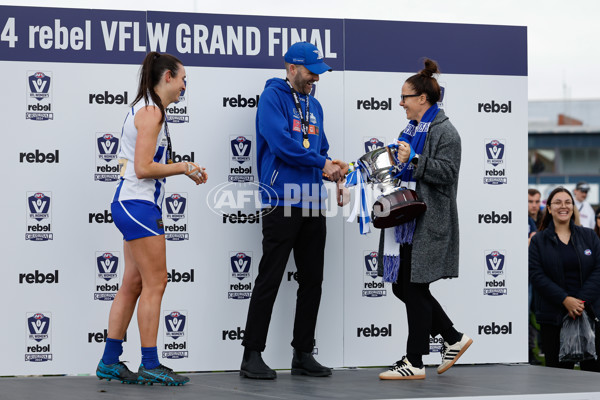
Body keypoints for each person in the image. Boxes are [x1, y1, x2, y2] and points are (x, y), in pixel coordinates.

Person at [96, 52, 207, 386]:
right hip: (138, 205)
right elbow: (143, 168)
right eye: (183, 78)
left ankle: (109, 361)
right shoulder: (152, 111)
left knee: (132, 284)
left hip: (132, 204)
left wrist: (181, 168)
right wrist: (184, 167)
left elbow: (139, 164)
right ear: (168, 77)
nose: (185, 85)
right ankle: (150, 363)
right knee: (156, 283)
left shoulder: (147, 107)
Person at [240, 41, 345, 380]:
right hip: (281, 200)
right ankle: (251, 355)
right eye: (311, 71)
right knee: (269, 278)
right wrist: (321, 162)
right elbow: (283, 145)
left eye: (318, 72)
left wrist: (335, 173)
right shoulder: (272, 97)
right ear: (292, 68)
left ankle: (303, 353)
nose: (316, 77)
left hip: (313, 201)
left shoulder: (315, 104)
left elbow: (322, 147)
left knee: (312, 279)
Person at [377, 58, 471, 380]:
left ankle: (414, 361)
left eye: (405, 96)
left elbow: (448, 173)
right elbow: (399, 169)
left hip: (430, 222)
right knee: (404, 288)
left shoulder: (447, 132)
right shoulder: (410, 130)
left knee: (414, 288)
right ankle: (453, 338)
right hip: (407, 221)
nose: (400, 102)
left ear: (422, 99)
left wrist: (415, 159)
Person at [529, 186, 600, 371]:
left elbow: (599, 270)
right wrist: (565, 300)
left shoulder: (589, 236)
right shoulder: (539, 241)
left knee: (593, 378)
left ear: (573, 207)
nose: (564, 206)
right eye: (558, 202)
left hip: (590, 314)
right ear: (550, 209)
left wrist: (580, 302)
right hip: (554, 317)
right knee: (557, 379)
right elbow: (536, 275)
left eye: (568, 202)